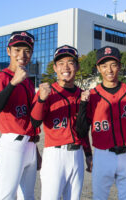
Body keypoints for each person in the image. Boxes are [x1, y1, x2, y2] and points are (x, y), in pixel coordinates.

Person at [76, 46, 126, 200]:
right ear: (98, 68)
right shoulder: (92, 95)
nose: (109, 70)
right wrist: (88, 154)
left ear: (119, 66)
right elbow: (81, 130)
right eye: (104, 65)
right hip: (102, 155)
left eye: (113, 64)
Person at [30, 45, 92, 200]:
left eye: (70, 62)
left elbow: (83, 130)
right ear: (55, 68)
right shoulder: (47, 92)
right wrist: (41, 99)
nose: (66, 67)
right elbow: (35, 122)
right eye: (61, 63)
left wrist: (88, 154)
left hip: (77, 154)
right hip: (54, 155)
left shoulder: (82, 95)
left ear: (77, 67)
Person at [0, 31, 41, 200]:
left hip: (30, 144)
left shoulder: (28, 81)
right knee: (5, 196)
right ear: (8, 51)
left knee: (28, 196)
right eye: (17, 49)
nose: (22, 55)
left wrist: (35, 149)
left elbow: (30, 119)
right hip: (12, 143)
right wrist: (12, 83)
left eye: (27, 50)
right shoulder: (2, 78)